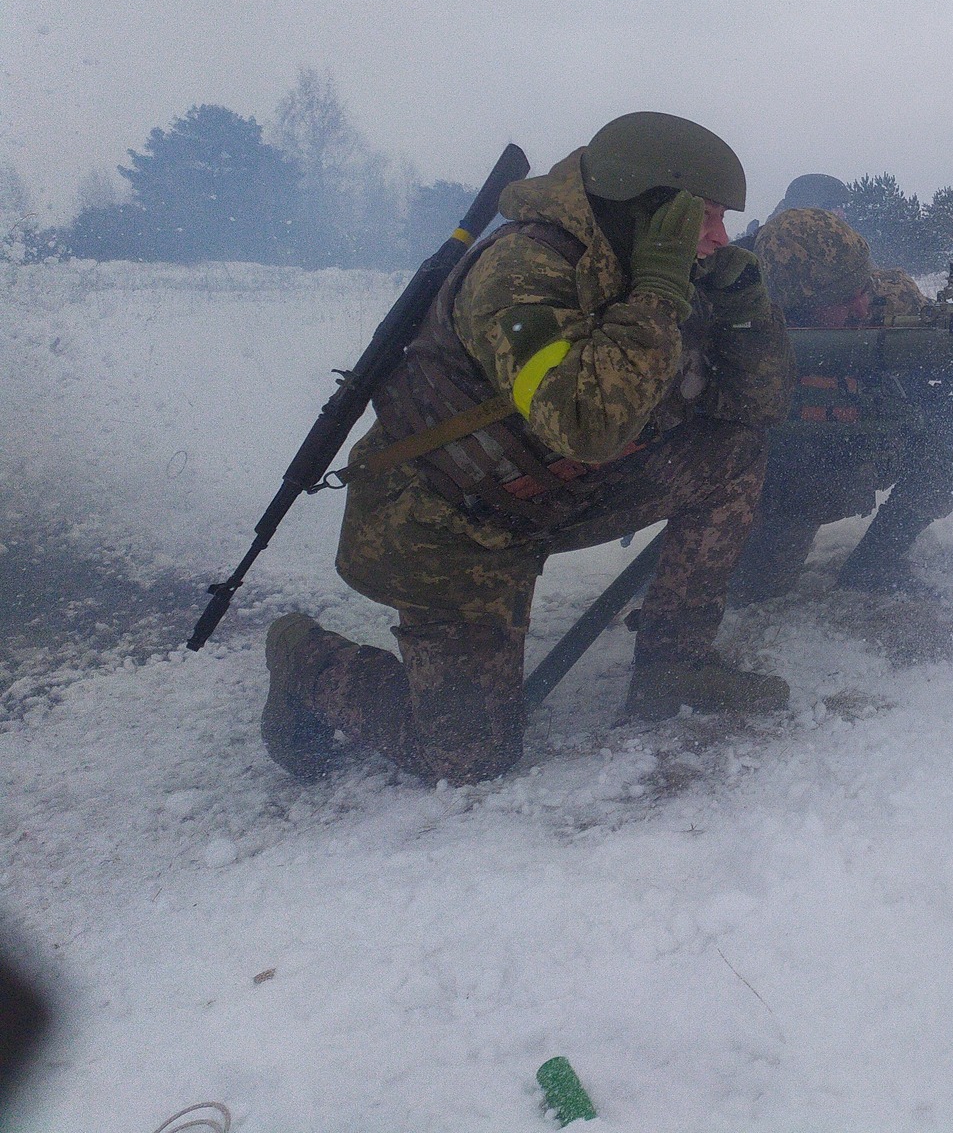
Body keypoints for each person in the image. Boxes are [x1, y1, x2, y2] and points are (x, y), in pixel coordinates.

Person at [261, 112, 797, 785]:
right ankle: (305, 660)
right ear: (643, 211)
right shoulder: (521, 270)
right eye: (705, 218)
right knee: (468, 757)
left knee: (732, 455)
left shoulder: (652, 269)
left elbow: (756, 409)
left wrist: (747, 316)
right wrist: (658, 296)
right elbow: (585, 423)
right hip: (450, 522)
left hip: (553, 493)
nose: (720, 240)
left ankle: (674, 667)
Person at [728, 207, 953, 603]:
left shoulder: (891, 296)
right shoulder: (743, 321)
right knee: (755, 592)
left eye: (864, 288)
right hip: (788, 480)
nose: (860, 306)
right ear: (792, 305)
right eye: (841, 299)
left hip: (866, 450)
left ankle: (878, 560)